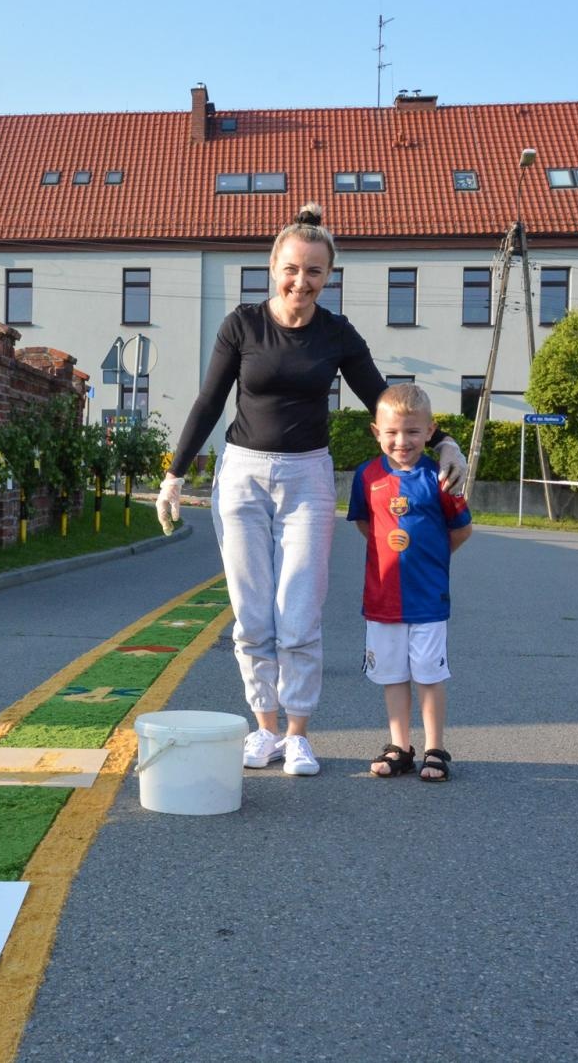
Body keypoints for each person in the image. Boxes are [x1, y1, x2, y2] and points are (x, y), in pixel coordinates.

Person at [155, 203, 468, 777]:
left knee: (297, 610)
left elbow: (381, 396)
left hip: (307, 478)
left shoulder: (336, 333)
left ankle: (298, 733)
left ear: (329, 277)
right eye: (292, 269)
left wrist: (445, 441)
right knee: (251, 614)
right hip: (242, 473)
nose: (302, 282)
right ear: (273, 266)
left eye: (315, 272)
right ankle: (265, 728)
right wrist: (175, 472)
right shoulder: (242, 325)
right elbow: (209, 401)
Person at [348, 384, 472, 782]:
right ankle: (400, 746)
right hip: (383, 597)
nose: (402, 441)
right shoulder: (366, 476)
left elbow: (461, 530)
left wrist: (429, 560)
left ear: (430, 431)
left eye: (413, 432)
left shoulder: (440, 477)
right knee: (392, 675)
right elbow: (367, 526)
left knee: (429, 676)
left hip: (427, 600)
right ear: (376, 432)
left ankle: (435, 749)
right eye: (392, 433)